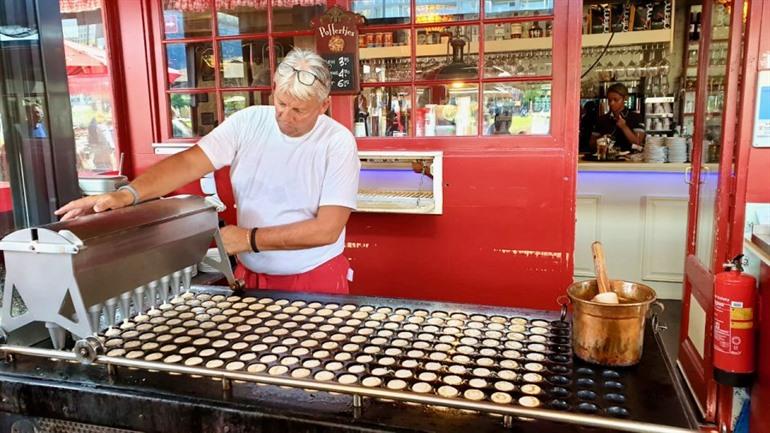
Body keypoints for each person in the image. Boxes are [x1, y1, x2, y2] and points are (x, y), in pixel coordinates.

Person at [56, 49, 361, 294]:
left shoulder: (337, 142)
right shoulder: (250, 122)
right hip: (250, 276)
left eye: (299, 111)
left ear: (323, 107)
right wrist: (127, 194)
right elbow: (190, 162)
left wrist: (249, 239)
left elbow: (326, 229)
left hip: (313, 278)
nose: (286, 116)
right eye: (281, 102)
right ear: (275, 89)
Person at [590, 83, 645, 153]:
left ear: (625, 98)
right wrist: (602, 140)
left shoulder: (635, 117)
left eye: (616, 100)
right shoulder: (602, 119)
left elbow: (638, 143)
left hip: (629, 160)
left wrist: (624, 127)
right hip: (607, 160)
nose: (611, 103)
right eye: (609, 100)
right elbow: (591, 144)